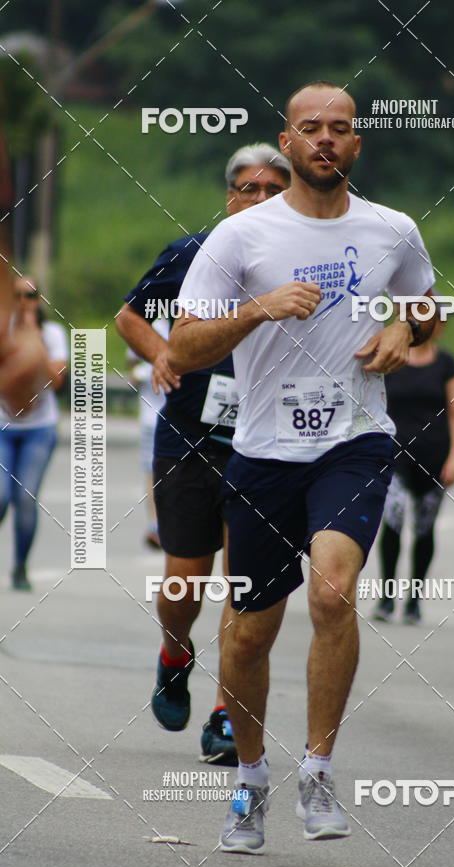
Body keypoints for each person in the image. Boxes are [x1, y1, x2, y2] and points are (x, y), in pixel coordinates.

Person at [169, 80, 436, 854]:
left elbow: (427, 307)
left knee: (332, 588)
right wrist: (256, 309)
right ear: (286, 144)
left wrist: (403, 330)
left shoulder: (394, 230)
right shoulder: (243, 238)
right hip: (262, 453)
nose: (326, 140)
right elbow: (185, 348)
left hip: (354, 440)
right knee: (248, 638)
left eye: (340, 129)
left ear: (357, 145)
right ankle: (251, 778)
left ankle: (317, 767)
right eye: (310, 128)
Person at [115, 143, 290, 765]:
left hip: (268, 444)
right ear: (230, 195)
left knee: (244, 585)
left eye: (275, 190)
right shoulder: (196, 252)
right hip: (191, 438)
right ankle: (173, 652)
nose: (262, 201)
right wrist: (159, 353)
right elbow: (130, 316)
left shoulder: (302, 261)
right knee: (185, 580)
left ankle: (224, 713)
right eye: (250, 189)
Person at [374, 313, 454, 624]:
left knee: (424, 528)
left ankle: (413, 600)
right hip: (393, 456)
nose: (433, 325)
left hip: (434, 457)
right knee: (395, 518)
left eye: (439, 320)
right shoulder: (391, 355)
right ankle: (387, 597)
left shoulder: (446, 364)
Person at [0, 277, 68, 590]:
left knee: (25, 497)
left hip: (38, 429)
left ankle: (20, 566)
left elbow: (54, 381)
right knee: (0, 497)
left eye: (30, 295)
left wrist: (32, 339)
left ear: (39, 299)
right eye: (18, 296)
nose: (24, 302)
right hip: (3, 426)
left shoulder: (52, 334)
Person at [126, 317, 170, 549]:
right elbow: (132, 369)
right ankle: (155, 527)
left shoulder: (189, 321)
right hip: (150, 416)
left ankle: (172, 524)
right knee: (152, 472)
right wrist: (143, 373)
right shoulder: (146, 324)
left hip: (179, 416)